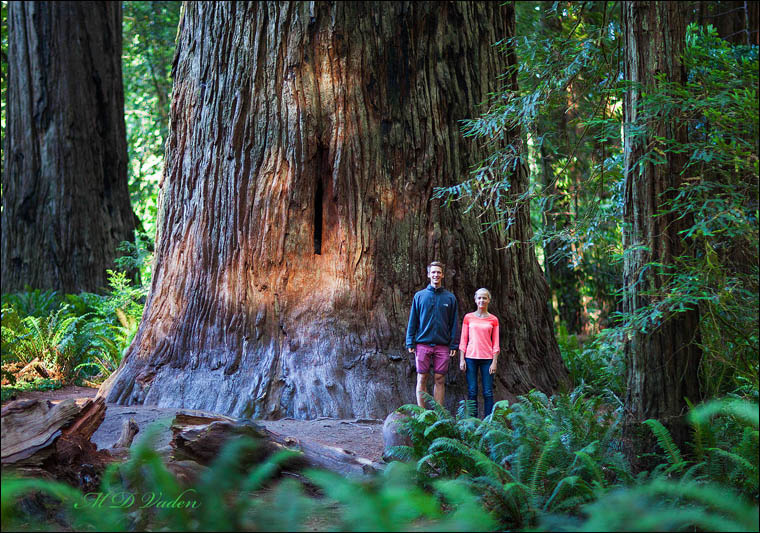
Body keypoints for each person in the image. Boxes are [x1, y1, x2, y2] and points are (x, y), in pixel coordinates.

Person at [406, 261, 459, 408]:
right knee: (422, 378)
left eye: (438, 272)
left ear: (442, 275)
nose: (436, 275)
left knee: (440, 378)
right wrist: (410, 341)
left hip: (442, 345)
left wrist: (454, 343)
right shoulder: (419, 296)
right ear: (429, 274)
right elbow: (413, 320)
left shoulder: (450, 298)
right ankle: (422, 415)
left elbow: (454, 322)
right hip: (422, 343)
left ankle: (437, 415)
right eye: (433, 272)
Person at [459, 288, 499, 418]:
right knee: (472, 391)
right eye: (479, 298)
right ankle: (473, 421)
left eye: (484, 298)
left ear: (489, 300)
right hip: (470, 358)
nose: (482, 300)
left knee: (487, 392)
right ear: (475, 300)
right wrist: (462, 359)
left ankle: (488, 421)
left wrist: (494, 362)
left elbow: (496, 343)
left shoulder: (493, 319)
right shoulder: (468, 317)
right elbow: (463, 340)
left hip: (487, 359)